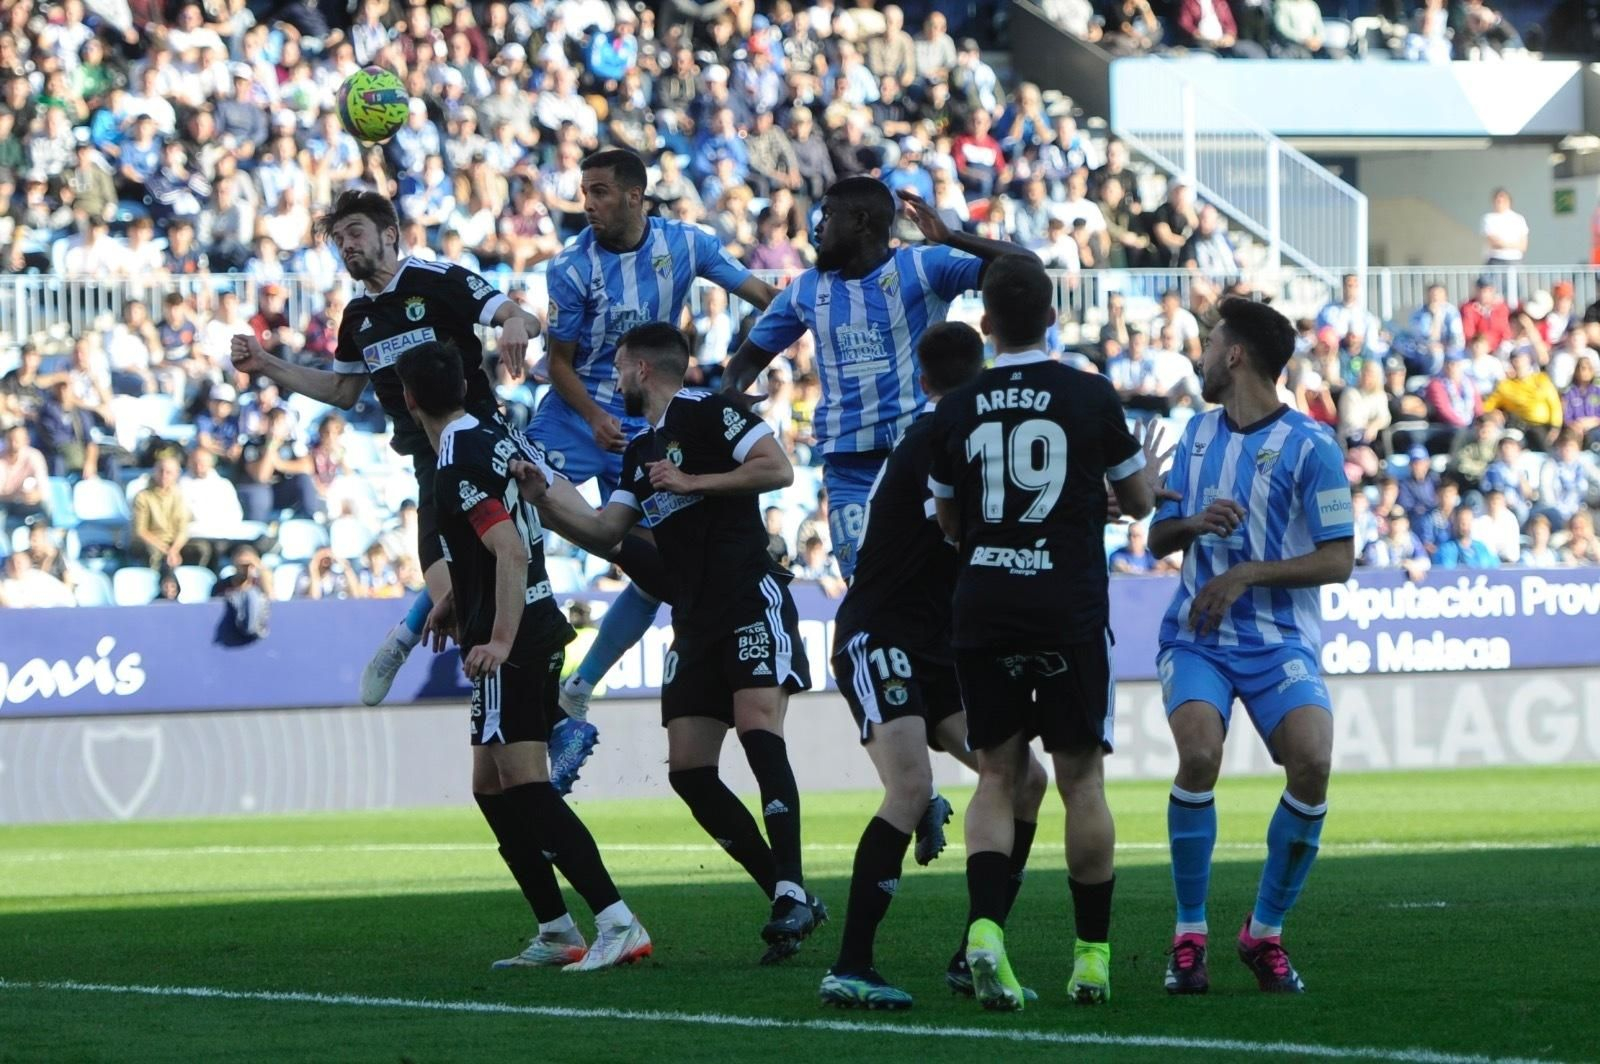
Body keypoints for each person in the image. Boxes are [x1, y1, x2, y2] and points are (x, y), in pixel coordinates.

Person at [511, 322, 823, 965]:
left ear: (643, 370)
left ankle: (791, 887)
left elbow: (779, 468)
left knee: (757, 724)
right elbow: (606, 531)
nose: (614, 380)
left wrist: (693, 484)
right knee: (689, 772)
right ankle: (788, 897)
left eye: (619, 368)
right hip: (696, 618)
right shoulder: (639, 449)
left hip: (748, 596)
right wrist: (543, 502)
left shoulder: (710, 411)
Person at [927, 255, 1159, 1010]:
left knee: (997, 772)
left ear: (986, 323)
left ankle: (987, 931)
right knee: (1080, 779)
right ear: (1053, 318)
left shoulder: (959, 405)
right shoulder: (1089, 394)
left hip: (986, 601)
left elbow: (949, 520)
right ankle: (1091, 956)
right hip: (1067, 605)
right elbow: (1139, 499)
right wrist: (1103, 498)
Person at [229, 189, 544, 711]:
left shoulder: (438, 280)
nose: (346, 247)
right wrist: (266, 365)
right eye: (338, 240)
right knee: (454, 596)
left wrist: (515, 322)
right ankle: (430, 647)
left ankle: (408, 640)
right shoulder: (356, 318)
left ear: (389, 235)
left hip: (482, 444)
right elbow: (342, 392)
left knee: (505, 567)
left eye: (354, 233)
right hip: (430, 463)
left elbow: (521, 317)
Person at [393, 339, 650, 973]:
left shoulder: (453, 462)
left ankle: (617, 921)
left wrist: (500, 639)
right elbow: (504, 535)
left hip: (516, 636)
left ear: (406, 400)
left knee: (528, 787)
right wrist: (460, 599)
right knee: (491, 786)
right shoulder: (494, 432)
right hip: (517, 620)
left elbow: (508, 549)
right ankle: (557, 929)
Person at [524, 148, 779, 788]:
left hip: (649, 420)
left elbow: (770, 301)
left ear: (637, 196)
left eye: (601, 191)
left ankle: (578, 688)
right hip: (578, 413)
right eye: (584, 191)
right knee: (510, 499)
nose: (588, 203)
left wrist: (739, 374)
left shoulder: (686, 243)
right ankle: (417, 628)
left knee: (653, 573)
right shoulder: (570, 265)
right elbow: (558, 362)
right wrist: (593, 417)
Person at [821, 321, 1051, 1010]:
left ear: (922, 379)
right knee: (912, 786)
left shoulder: (956, 438)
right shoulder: (935, 441)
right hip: (881, 633)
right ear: (979, 376)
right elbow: (972, 531)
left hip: (936, 646)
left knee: (1026, 781)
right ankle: (851, 965)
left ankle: (972, 952)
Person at [1147, 297, 1356, 995]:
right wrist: (1193, 524)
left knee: (1313, 763)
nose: (1200, 356)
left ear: (1234, 355)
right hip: (1198, 635)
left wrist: (1249, 572)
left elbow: (1338, 559)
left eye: (1208, 343)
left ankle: (1263, 932)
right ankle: (1188, 934)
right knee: (1200, 752)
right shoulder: (1195, 436)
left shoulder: (1311, 445)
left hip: (1279, 640)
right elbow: (1157, 539)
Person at [724, 178, 1017, 583]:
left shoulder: (923, 267)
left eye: (827, 215)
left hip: (922, 458)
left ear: (861, 221)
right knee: (865, 590)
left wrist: (952, 236)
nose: (817, 227)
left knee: (941, 584)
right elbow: (744, 362)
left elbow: (1023, 270)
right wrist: (732, 395)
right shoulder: (806, 290)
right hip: (849, 469)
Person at [131, 456, 211, 570]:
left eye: (169, 472)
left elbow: (183, 529)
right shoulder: (143, 497)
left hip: (173, 543)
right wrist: (165, 550)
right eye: (161, 471)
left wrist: (174, 550)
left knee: (201, 548)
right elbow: (141, 531)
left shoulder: (180, 495)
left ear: (176, 474)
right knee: (152, 553)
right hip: (153, 542)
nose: (164, 475)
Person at [1436, 504, 1499, 568]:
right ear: (1455, 522)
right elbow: (1446, 571)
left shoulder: (1481, 547)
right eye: (1462, 521)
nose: (1465, 525)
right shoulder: (1446, 549)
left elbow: (1495, 566)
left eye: (1468, 521)